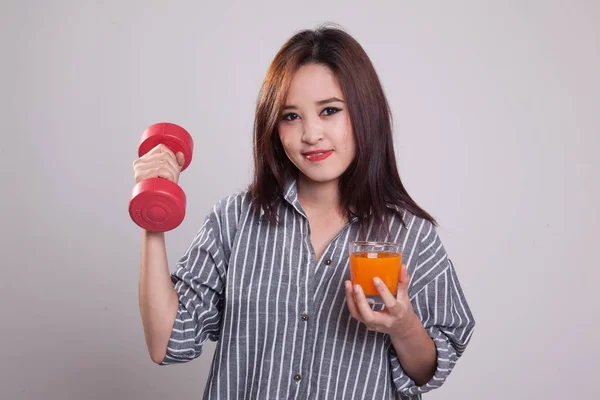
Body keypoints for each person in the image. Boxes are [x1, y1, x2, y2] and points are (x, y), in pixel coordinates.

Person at [133, 24, 475, 400]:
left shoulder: (410, 235)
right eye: (290, 116)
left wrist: (404, 325)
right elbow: (166, 342)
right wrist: (154, 213)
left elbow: (430, 370)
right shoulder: (235, 220)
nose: (311, 134)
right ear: (273, 128)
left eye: (329, 111)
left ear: (365, 113)